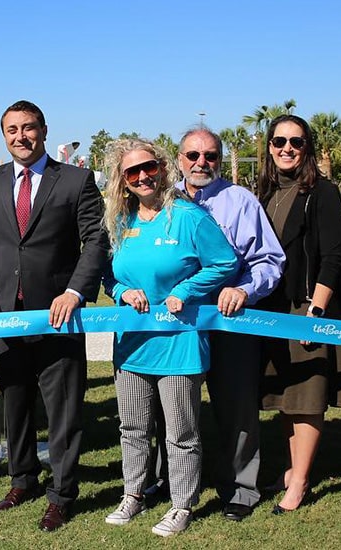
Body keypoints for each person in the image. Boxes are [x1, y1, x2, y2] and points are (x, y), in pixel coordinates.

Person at [0, 100, 109, 532]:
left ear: (43, 130)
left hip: (58, 316)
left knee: (62, 410)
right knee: (14, 401)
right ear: (3, 135)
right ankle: (21, 478)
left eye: (28, 128)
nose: (20, 136)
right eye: (11, 130)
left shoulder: (76, 180)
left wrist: (76, 291)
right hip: (3, 315)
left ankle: (62, 493)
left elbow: (96, 240)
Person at [100, 138, 238, 536]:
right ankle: (134, 494)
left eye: (149, 168)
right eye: (132, 172)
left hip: (180, 341)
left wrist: (186, 290)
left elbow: (225, 262)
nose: (142, 177)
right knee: (133, 427)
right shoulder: (122, 221)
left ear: (163, 168)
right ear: (122, 180)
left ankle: (182, 504)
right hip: (132, 342)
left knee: (181, 431)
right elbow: (109, 275)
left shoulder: (189, 216)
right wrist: (121, 291)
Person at [174, 126, 285, 521]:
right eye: (193, 155)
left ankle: (242, 487)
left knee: (236, 408)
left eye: (210, 156)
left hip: (229, 322)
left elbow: (270, 260)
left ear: (220, 160)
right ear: (179, 158)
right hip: (177, 325)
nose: (201, 163)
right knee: (170, 409)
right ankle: (169, 484)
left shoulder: (240, 201)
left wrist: (246, 289)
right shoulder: (163, 201)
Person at [251, 115, 341, 514]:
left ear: (307, 146)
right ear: (269, 147)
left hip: (305, 306)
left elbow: (334, 256)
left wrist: (317, 309)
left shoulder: (321, 193)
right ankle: (292, 471)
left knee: (307, 397)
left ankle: (302, 479)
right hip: (270, 308)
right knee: (286, 395)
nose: (287, 149)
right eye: (279, 142)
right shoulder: (264, 192)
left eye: (296, 141)